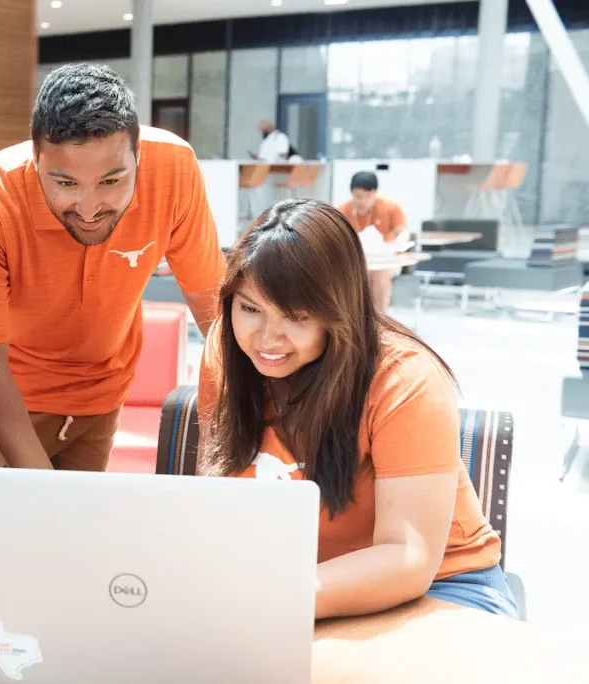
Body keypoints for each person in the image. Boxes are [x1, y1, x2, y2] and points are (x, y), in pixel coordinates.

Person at [197, 199, 518, 620]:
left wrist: (271, 598)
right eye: (250, 308)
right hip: (293, 582)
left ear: (338, 311)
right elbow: (217, 496)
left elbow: (407, 557)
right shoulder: (227, 353)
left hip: (443, 584)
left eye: (295, 316)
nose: (266, 338)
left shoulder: (403, 379)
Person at [0, 63, 226, 472]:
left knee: (79, 532)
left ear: (139, 157)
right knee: (3, 530)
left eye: (112, 181)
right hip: (3, 401)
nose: (90, 207)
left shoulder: (174, 168)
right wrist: (40, 482)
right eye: (65, 184)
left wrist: (249, 410)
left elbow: (211, 302)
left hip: (101, 398)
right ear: (36, 158)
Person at [336, 171, 410, 313]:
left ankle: (381, 317)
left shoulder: (390, 206)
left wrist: (399, 243)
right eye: (358, 197)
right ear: (352, 193)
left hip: (386, 259)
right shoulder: (343, 211)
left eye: (368, 196)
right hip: (357, 260)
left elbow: (403, 231)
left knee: (379, 272)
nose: (363, 201)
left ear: (375, 193)